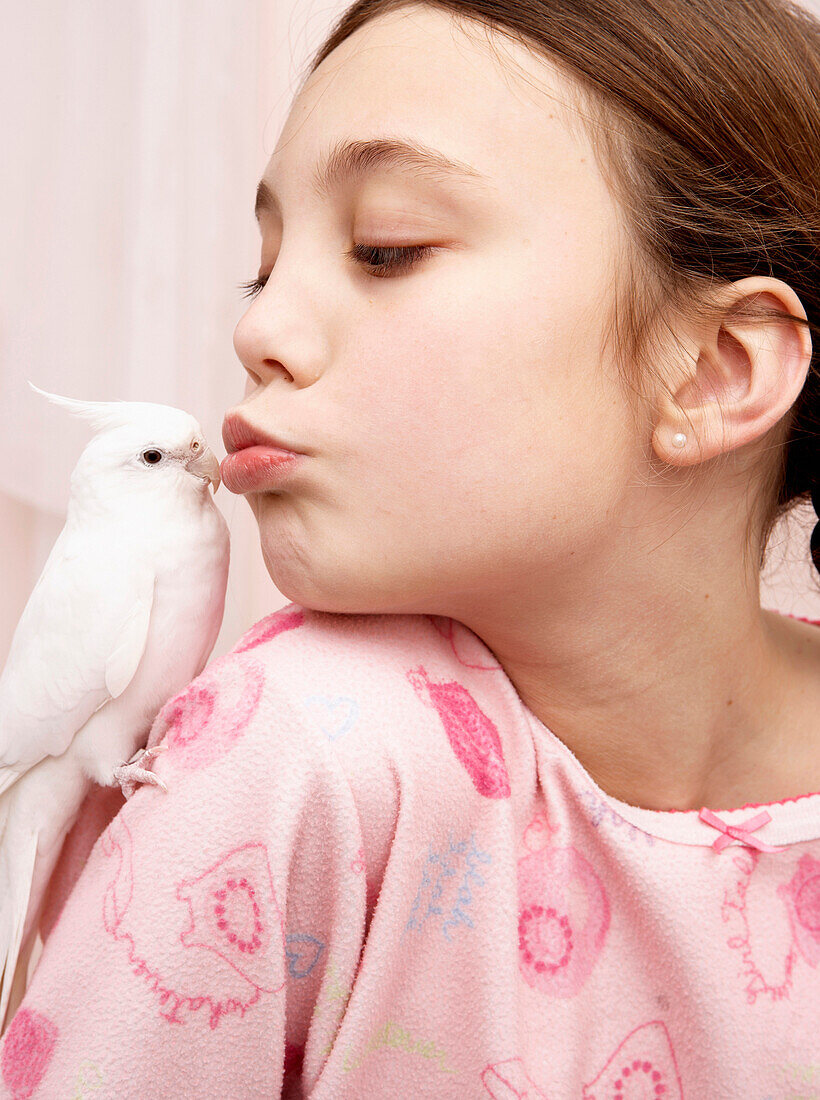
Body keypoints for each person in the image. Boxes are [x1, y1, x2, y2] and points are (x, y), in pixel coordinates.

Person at [2, 0, 819, 1095]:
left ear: (714, 367)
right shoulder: (289, 756)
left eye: (385, 247)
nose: (257, 330)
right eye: (264, 267)